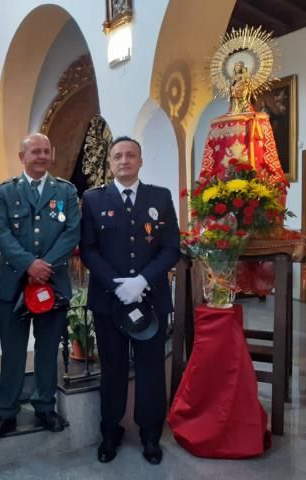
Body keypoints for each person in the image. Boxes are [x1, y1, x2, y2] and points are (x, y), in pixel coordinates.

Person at [79, 136, 180, 465]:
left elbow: (170, 248)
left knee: (151, 369)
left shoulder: (160, 198)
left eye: (130, 155)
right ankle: (110, 432)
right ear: (110, 162)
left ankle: (151, 434)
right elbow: (89, 249)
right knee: (113, 368)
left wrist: (142, 281)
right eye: (118, 156)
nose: (124, 160)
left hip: (150, 300)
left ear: (140, 160)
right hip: (109, 302)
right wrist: (115, 284)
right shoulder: (94, 200)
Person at [0, 133, 80, 436]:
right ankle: (6, 411)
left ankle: (45, 407)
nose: (41, 156)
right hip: (13, 284)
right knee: (13, 351)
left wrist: (45, 267)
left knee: (47, 349)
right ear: (22, 157)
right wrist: (29, 264)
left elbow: (71, 232)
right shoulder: (5, 192)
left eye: (45, 151)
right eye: (34, 152)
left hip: (52, 284)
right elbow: (1, 231)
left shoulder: (65, 191)